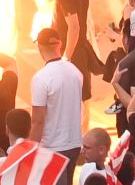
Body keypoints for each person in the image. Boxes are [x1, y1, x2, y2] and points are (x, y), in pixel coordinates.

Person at [33, 21, 93, 157]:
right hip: (74, 144)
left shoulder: (40, 78)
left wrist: (31, 149)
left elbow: (37, 120)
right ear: (60, 44)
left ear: (39, 47)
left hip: (52, 148)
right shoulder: (76, 71)